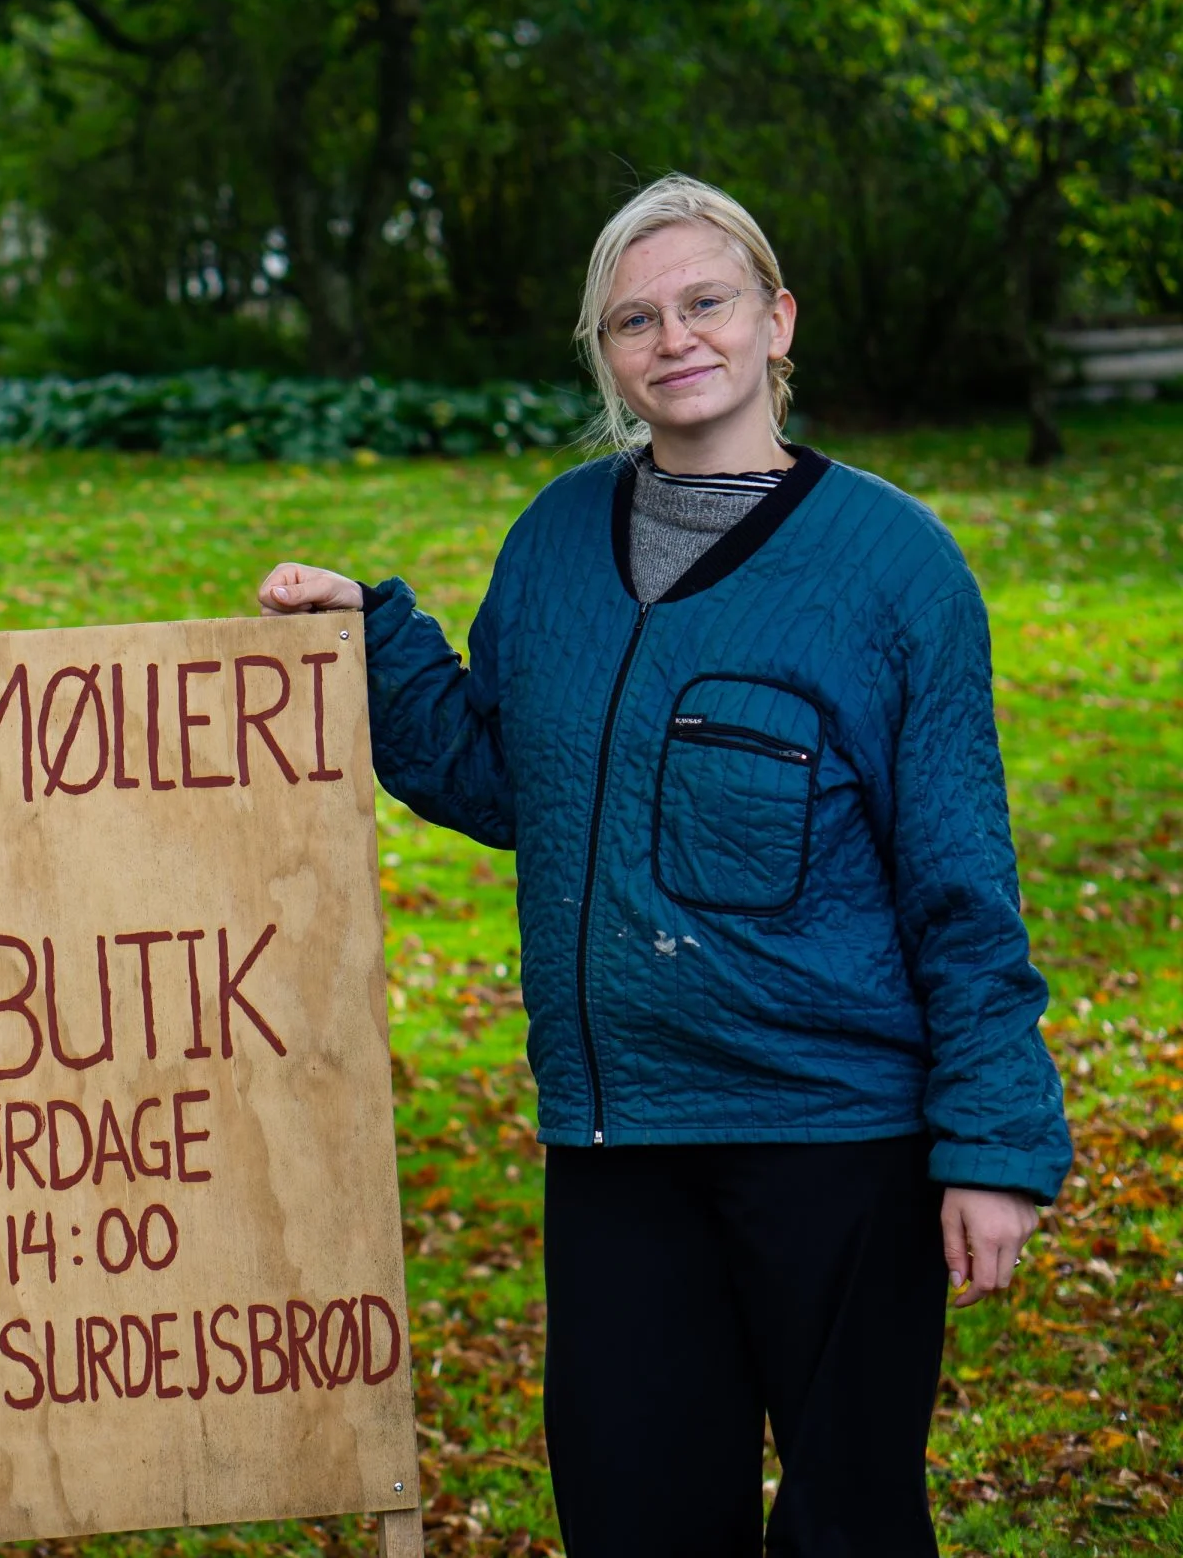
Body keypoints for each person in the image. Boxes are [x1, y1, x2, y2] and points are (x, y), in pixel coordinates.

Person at [258, 174, 1069, 1556]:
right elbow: (505, 774)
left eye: (707, 302)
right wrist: (368, 634)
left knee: (848, 1522)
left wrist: (991, 1145)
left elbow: (960, 883)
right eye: (636, 319)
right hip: (617, 1138)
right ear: (606, 353)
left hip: (836, 1139)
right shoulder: (560, 538)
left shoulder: (894, 569)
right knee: (635, 1512)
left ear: (774, 321)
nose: (675, 337)